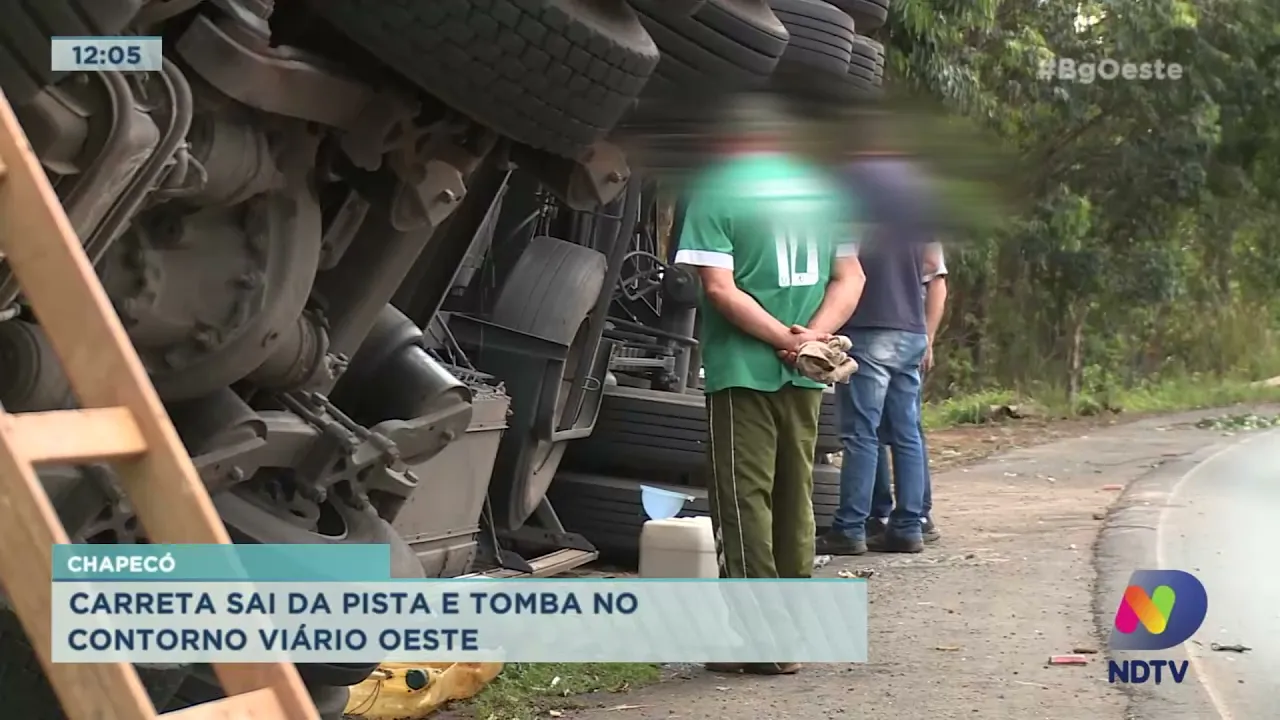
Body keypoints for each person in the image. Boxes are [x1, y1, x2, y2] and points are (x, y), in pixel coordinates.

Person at [673, 94, 864, 674]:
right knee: (793, 497)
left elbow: (719, 290)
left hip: (743, 371)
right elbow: (850, 277)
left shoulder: (717, 188)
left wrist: (784, 337)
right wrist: (812, 340)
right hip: (808, 373)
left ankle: (760, 642)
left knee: (743, 501)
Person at [815, 115, 940, 556]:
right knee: (906, 431)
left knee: (860, 433)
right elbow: (933, 271)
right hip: (910, 328)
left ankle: (850, 527)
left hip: (869, 328)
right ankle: (908, 526)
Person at [868, 243, 948, 542]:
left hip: (894, 331)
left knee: (896, 428)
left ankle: (912, 514)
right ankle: (887, 514)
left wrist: (928, 338)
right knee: (886, 430)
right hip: (899, 329)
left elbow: (937, 280)